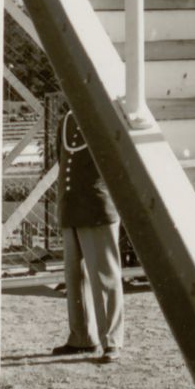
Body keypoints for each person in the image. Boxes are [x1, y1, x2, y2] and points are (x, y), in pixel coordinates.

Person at [52, 105, 125, 363]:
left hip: (97, 206)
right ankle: (81, 337)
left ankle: (111, 341)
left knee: (103, 276)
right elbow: (62, 161)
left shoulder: (105, 115)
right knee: (75, 278)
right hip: (72, 206)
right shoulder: (68, 119)